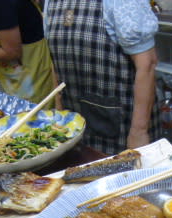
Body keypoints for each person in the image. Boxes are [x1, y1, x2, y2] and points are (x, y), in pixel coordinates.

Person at [43, 0, 162, 155]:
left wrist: (139, 132)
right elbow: (55, 61)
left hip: (123, 129)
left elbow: (147, 64)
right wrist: (59, 113)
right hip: (74, 129)